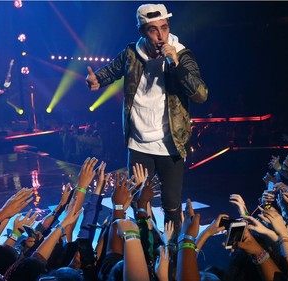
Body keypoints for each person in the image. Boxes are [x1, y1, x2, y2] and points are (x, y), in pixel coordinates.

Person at [85, 3, 208, 238]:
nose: (161, 35)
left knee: (172, 204)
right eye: (153, 30)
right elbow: (110, 71)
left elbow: (201, 95)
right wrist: (96, 80)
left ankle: (173, 252)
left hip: (170, 144)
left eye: (164, 27)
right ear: (142, 31)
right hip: (139, 143)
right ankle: (147, 250)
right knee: (139, 202)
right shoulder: (132, 53)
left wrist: (177, 65)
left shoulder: (181, 54)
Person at [0, 59, 14, 132]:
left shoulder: (2, 86)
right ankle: (2, 129)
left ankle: (14, 122)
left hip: (5, 103)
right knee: (1, 117)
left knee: (12, 109)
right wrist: (0, 93)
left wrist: (11, 65)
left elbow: (7, 80)